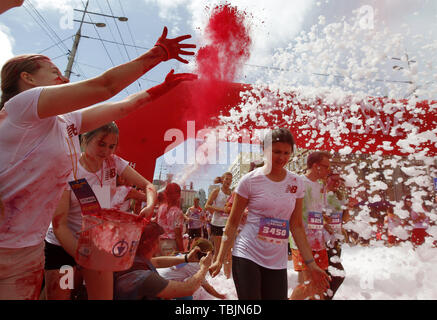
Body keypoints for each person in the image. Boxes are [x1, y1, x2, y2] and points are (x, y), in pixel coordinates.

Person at [0, 27, 196, 300]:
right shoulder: (21, 106)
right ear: (28, 78)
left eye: (111, 147)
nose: (64, 77)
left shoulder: (67, 121)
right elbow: (105, 86)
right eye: (55, 71)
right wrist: (158, 54)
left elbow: (122, 106)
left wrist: (161, 89)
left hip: (29, 249)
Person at [209, 128, 330, 300]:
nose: (282, 157)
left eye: (287, 153)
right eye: (276, 152)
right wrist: (219, 258)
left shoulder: (296, 182)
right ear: (265, 151)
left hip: (276, 260)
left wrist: (311, 263)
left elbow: (296, 226)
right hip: (247, 252)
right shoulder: (249, 180)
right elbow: (233, 222)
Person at [43, 122, 157, 300]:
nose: (106, 151)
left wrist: (150, 206)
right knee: (61, 295)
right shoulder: (69, 169)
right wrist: (83, 256)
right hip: (62, 248)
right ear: (85, 139)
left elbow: (148, 186)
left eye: (112, 146)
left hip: (95, 247)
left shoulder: (113, 163)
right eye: (101, 144)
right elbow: (59, 226)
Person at [114, 222, 213, 300]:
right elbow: (188, 289)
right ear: (150, 243)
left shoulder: (131, 261)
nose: (160, 242)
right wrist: (204, 268)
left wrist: (186, 258)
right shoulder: (144, 277)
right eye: (158, 240)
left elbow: (157, 262)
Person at [289, 151, 332, 300]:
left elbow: (317, 211)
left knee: (320, 284)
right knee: (308, 284)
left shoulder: (321, 185)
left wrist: (326, 223)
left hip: (318, 242)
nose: (328, 170)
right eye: (326, 167)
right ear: (315, 166)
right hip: (301, 242)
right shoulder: (298, 181)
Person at [158, 238, 226, 300]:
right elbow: (207, 287)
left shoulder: (186, 256)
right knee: (188, 295)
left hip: (159, 276)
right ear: (206, 255)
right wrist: (222, 297)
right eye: (211, 253)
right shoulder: (194, 265)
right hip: (161, 283)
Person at [323, 173, 351, 300]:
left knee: (332, 273)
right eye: (333, 180)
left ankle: (324, 297)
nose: (337, 183)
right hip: (322, 239)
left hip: (336, 238)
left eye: (339, 181)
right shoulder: (320, 194)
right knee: (335, 273)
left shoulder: (341, 196)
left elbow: (344, 218)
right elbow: (313, 213)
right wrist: (324, 222)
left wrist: (348, 208)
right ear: (326, 179)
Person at [205, 172, 232, 262]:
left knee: (228, 251)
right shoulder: (216, 191)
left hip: (228, 224)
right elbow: (207, 206)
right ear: (222, 180)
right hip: (217, 223)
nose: (229, 181)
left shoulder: (231, 193)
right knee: (218, 251)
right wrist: (221, 209)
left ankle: (226, 275)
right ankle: (213, 273)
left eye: (230, 179)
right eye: (227, 179)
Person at [157, 183, 185, 255]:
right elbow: (177, 234)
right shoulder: (177, 212)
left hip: (158, 243)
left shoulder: (161, 208)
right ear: (178, 195)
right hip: (170, 245)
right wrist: (182, 252)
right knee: (171, 266)